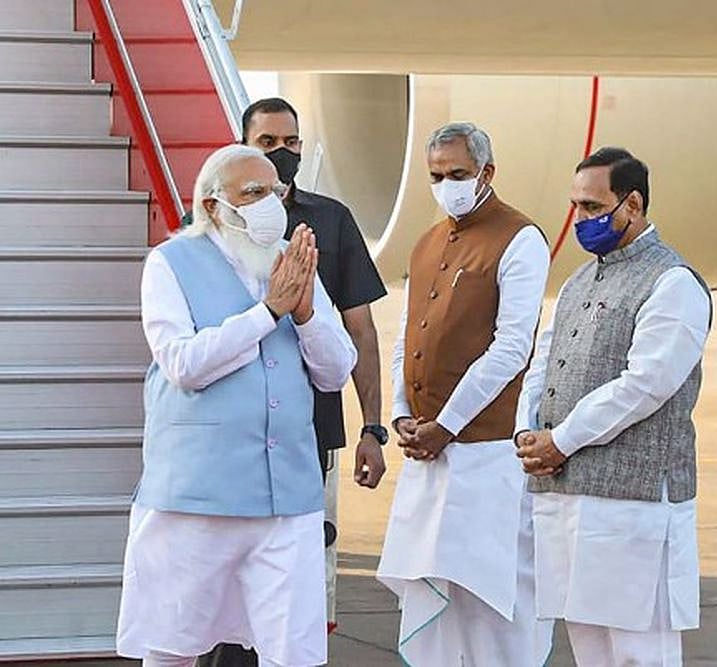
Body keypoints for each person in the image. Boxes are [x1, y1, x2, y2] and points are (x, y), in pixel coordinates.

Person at [116, 144, 357, 667]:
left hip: (286, 498)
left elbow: (336, 371)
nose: (268, 203)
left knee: (294, 653)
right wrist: (269, 312)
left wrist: (308, 311)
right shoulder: (170, 263)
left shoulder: (294, 266)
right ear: (211, 205)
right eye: (253, 193)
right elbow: (183, 364)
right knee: (173, 645)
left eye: (274, 192)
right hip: (197, 497)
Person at [198, 97, 388, 667]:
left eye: (292, 143)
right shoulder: (203, 239)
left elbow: (361, 328)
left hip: (309, 434)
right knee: (224, 587)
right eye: (269, 144)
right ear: (242, 145)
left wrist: (372, 427)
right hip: (230, 439)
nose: (284, 154)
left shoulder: (330, 220)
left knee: (298, 583)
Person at [515, 147, 711, 666]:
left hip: (635, 503)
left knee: (638, 653)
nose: (582, 219)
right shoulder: (580, 280)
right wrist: (527, 432)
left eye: (593, 207)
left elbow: (645, 385)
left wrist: (562, 440)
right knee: (590, 649)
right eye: (576, 207)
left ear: (634, 204)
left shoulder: (673, 282)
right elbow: (543, 364)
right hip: (568, 496)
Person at [376, 122, 553, 665]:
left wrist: (447, 425)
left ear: (487, 173)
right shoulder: (428, 241)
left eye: (458, 173)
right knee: (437, 594)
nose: (447, 184)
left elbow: (511, 347)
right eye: (437, 175)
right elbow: (407, 334)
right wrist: (402, 413)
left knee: (493, 597)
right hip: (430, 453)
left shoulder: (520, 238)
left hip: (489, 453)